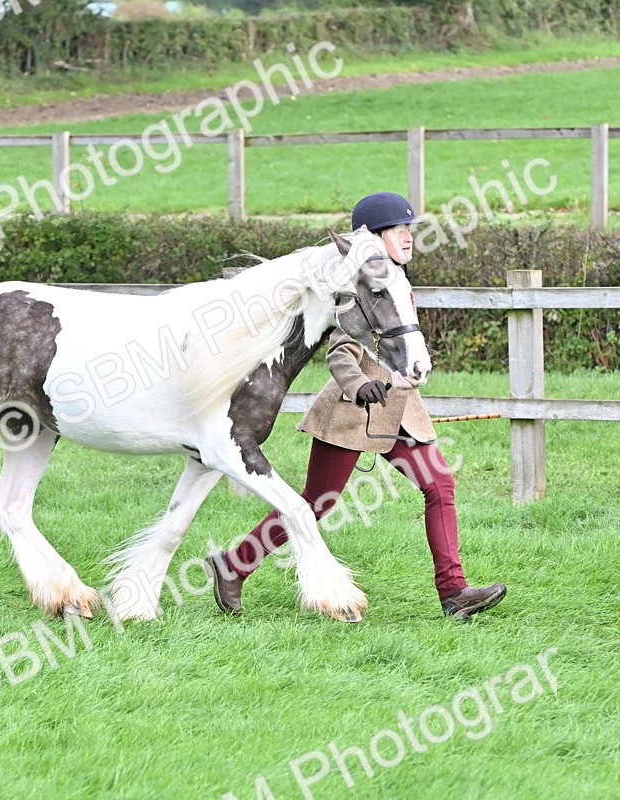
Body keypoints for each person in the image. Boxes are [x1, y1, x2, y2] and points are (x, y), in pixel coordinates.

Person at [205, 192, 507, 621]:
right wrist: (361, 384)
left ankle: (454, 592)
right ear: (372, 238)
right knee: (316, 502)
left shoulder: (398, 281)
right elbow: (340, 352)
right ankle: (233, 566)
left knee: (440, 486)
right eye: (399, 230)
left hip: (401, 410)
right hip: (353, 411)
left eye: (410, 229)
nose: (409, 237)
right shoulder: (359, 286)